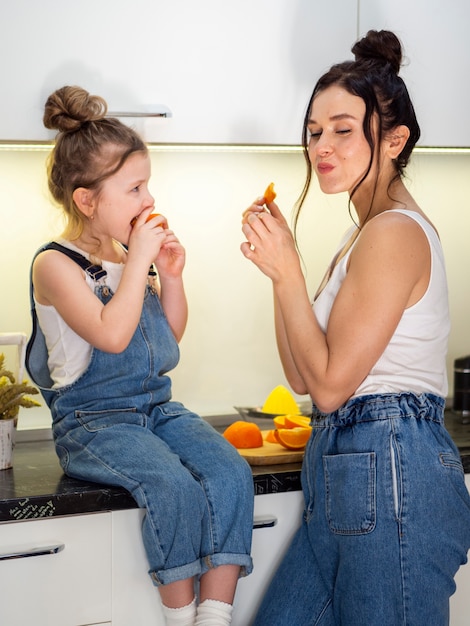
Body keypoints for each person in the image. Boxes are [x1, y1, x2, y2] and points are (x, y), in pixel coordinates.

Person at [241, 30, 470, 625]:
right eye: (315, 130)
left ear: (394, 140)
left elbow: (332, 385)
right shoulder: (360, 235)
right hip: (343, 464)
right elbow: (302, 372)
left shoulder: (394, 233)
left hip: (394, 464)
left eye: (344, 129)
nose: (322, 145)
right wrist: (279, 270)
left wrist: (290, 273)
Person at [25, 85, 254, 626]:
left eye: (147, 185)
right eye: (133, 188)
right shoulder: (55, 265)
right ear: (87, 200)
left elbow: (166, 341)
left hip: (157, 410)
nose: (148, 200)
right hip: (94, 424)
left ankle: (215, 614)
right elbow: (111, 335)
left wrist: (169, 277)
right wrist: (138, 267)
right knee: (170, 484)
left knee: (229, 471)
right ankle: (181, 618)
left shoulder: (132, 256)